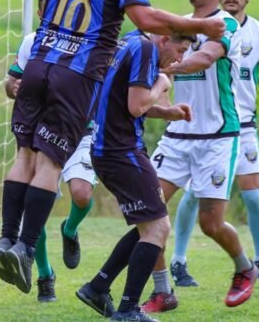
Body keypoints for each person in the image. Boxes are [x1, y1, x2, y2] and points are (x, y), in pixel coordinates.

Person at [0, 0, 226, 294]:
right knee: (50, 163)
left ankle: (6, 240)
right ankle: (24, 248)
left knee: (25, 154)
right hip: (76, 76)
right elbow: (146, 21)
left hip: (37, 66)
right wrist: (201, 25)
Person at [146, 0, 258, 310]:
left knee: (211, 224)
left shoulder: (227, 25)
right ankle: (163, 291)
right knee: (145, 210)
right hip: (178, 135)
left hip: (217, 137)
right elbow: (152, 54)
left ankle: (245, 269)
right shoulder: (179, 24)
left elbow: (206, 58)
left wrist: (171, 66)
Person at [169, 0, 259, 289]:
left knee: (253, 195)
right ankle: (178, 260)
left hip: (240, 126)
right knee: (193, 196)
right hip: (197, 127)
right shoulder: (190, 25)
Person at [76, 30, 193, 322]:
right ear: (164, 38)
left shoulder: (129, 41)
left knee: (149, 225)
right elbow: (136, 105)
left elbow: (124, 101)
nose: (179, 60)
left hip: (108, 149)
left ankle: (98, 287)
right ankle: (127, 310)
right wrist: (162, 83)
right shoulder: (144, 49)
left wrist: (167, 113)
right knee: (157, 229)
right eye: (180, 50)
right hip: (122, 152)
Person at [5, 0, 97, 302]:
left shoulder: (88, 40)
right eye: (48, 11)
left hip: (80, 131)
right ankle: (45, 274)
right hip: (39, 133)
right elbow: (11, 81)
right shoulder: (32, 41)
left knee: (82, 194)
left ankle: (70, 230)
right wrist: (13, 85)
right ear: (41, 13)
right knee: (36, 207)